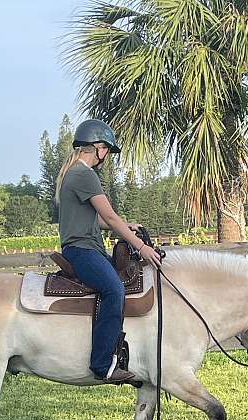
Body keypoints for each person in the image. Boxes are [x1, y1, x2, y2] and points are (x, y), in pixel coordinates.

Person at [56, 119, 162, 384]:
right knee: (114, 289)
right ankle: (102, 364)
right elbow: (111, 219)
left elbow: (100, 220)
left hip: (85, 246)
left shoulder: (75, 174)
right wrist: (142, 247)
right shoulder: (84, 174)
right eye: (107, 151)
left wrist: (128, 226)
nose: (106, 157)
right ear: (98, 147)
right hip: (82, 250)